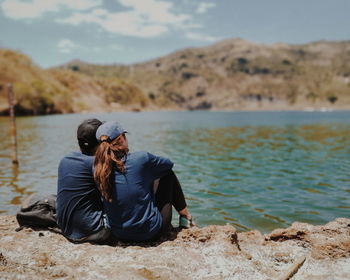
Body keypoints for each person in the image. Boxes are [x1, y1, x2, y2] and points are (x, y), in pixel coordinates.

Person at [93, 120, 194, 242]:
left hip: (118, 234)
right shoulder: (141, 158)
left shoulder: (97, 169)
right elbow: (169, 165)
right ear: (121, 139)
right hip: (150, 233)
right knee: (167, 174)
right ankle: (185, 218)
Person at [56, 119, 111, 243]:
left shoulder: (66, 159)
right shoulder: (96, 165)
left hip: (65, 228)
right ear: (101, 142)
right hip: (91, 231)